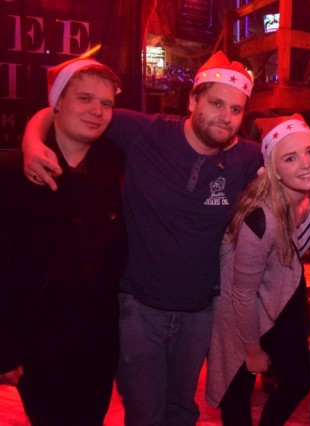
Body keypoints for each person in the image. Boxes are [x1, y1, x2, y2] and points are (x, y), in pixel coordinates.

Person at [21, 50, 263, 425]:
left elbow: (294, 146)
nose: (225, 117)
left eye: (236, 109)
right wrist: (32, 142)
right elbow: (60, 110)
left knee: (182, 410)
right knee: (145, 414)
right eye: (216, 103)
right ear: (193, 100)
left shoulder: (244, 157)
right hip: (139, 308)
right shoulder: (146, 132)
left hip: (200, 310)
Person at [0, 58, 126, 425]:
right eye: (85, 98)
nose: (97, 111)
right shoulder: (11, 176)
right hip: (37, 343)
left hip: (99, 341)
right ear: (56, 103)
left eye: (106, 103)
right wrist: (5, 348)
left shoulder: (120, 166)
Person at [206, 114, 310, 425]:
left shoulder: (308, 194)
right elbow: (242, 295)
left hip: (277, 298)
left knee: (299, 381)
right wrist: (253, 350)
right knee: (237, 393)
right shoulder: (262, 219)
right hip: (239, 313)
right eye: (290, 158)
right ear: (274, 170)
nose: (306, 163)